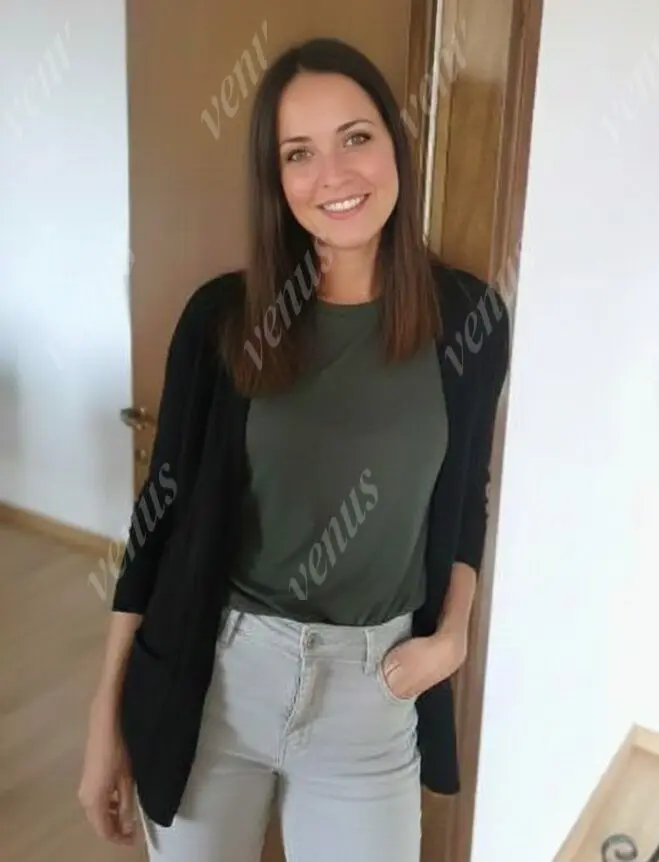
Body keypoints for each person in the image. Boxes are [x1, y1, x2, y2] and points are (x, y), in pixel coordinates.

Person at [78, 36, 510, 862]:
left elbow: (466, 497)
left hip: (372, 693)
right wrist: (107, 716)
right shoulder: (222, 320)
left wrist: (452, 636)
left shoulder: (468, 319)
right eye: (298, 153)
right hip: (216, 679)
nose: (333, 175)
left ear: (394, 144)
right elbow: (156, 523)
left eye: (356, 138)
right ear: (275, 179)